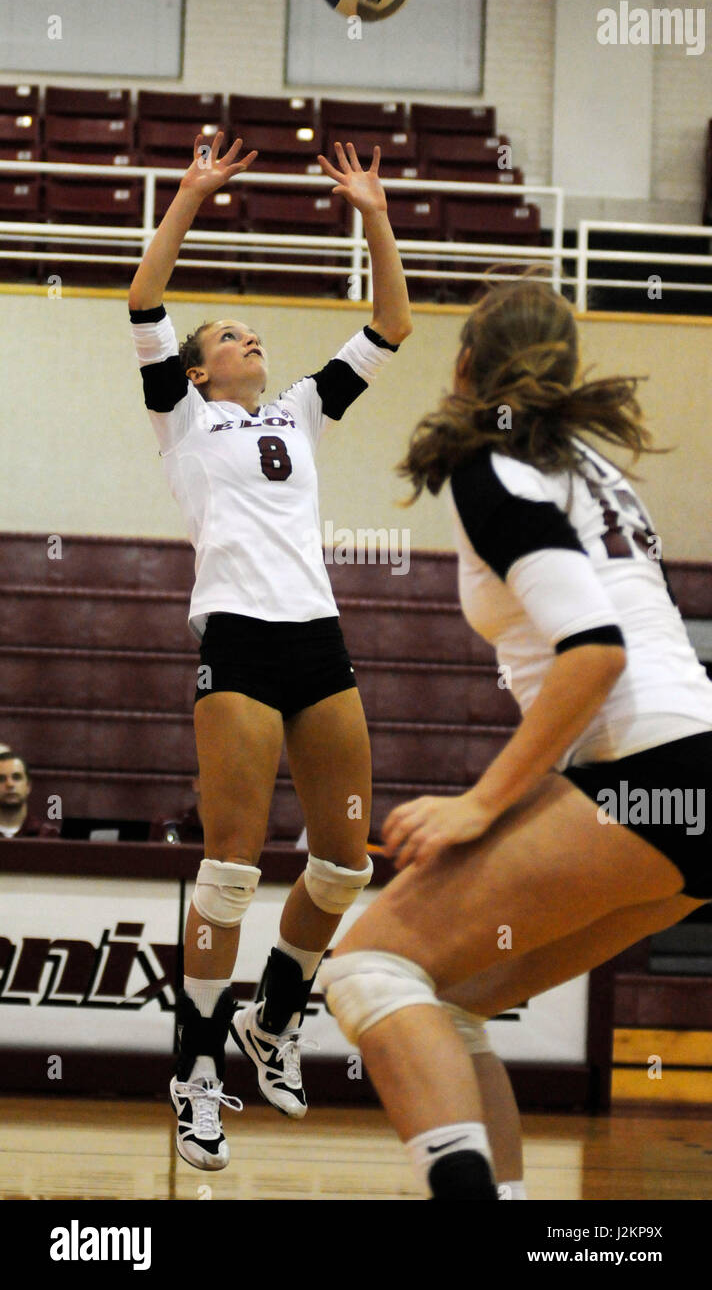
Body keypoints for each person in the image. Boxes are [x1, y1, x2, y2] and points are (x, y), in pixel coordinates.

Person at [319, 276, 712, 1200]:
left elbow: (595, 653)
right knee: (450, 992)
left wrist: (481, 804)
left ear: (464, 366)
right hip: (690, 783)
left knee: (371, 966)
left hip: (648, 769)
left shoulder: (491, 466)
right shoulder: (585, 466)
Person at [128, 130, 411, 1170]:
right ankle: (198, 1071)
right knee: (232, 868)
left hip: (317, 638)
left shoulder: (297, 406)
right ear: (200, 366)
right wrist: (191, 195)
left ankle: (275, 1015)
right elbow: (143, 301)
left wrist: (373, 214)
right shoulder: (181, 418)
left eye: (251, 333)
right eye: (233, 336)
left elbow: (391, 323)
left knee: (345, 862)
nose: (251, 342)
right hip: (239, 639)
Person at [0, 751, 61, 838]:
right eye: (1, 779)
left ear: (28, 786)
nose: (10, 784)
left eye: (16, 777)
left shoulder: (49, 836)